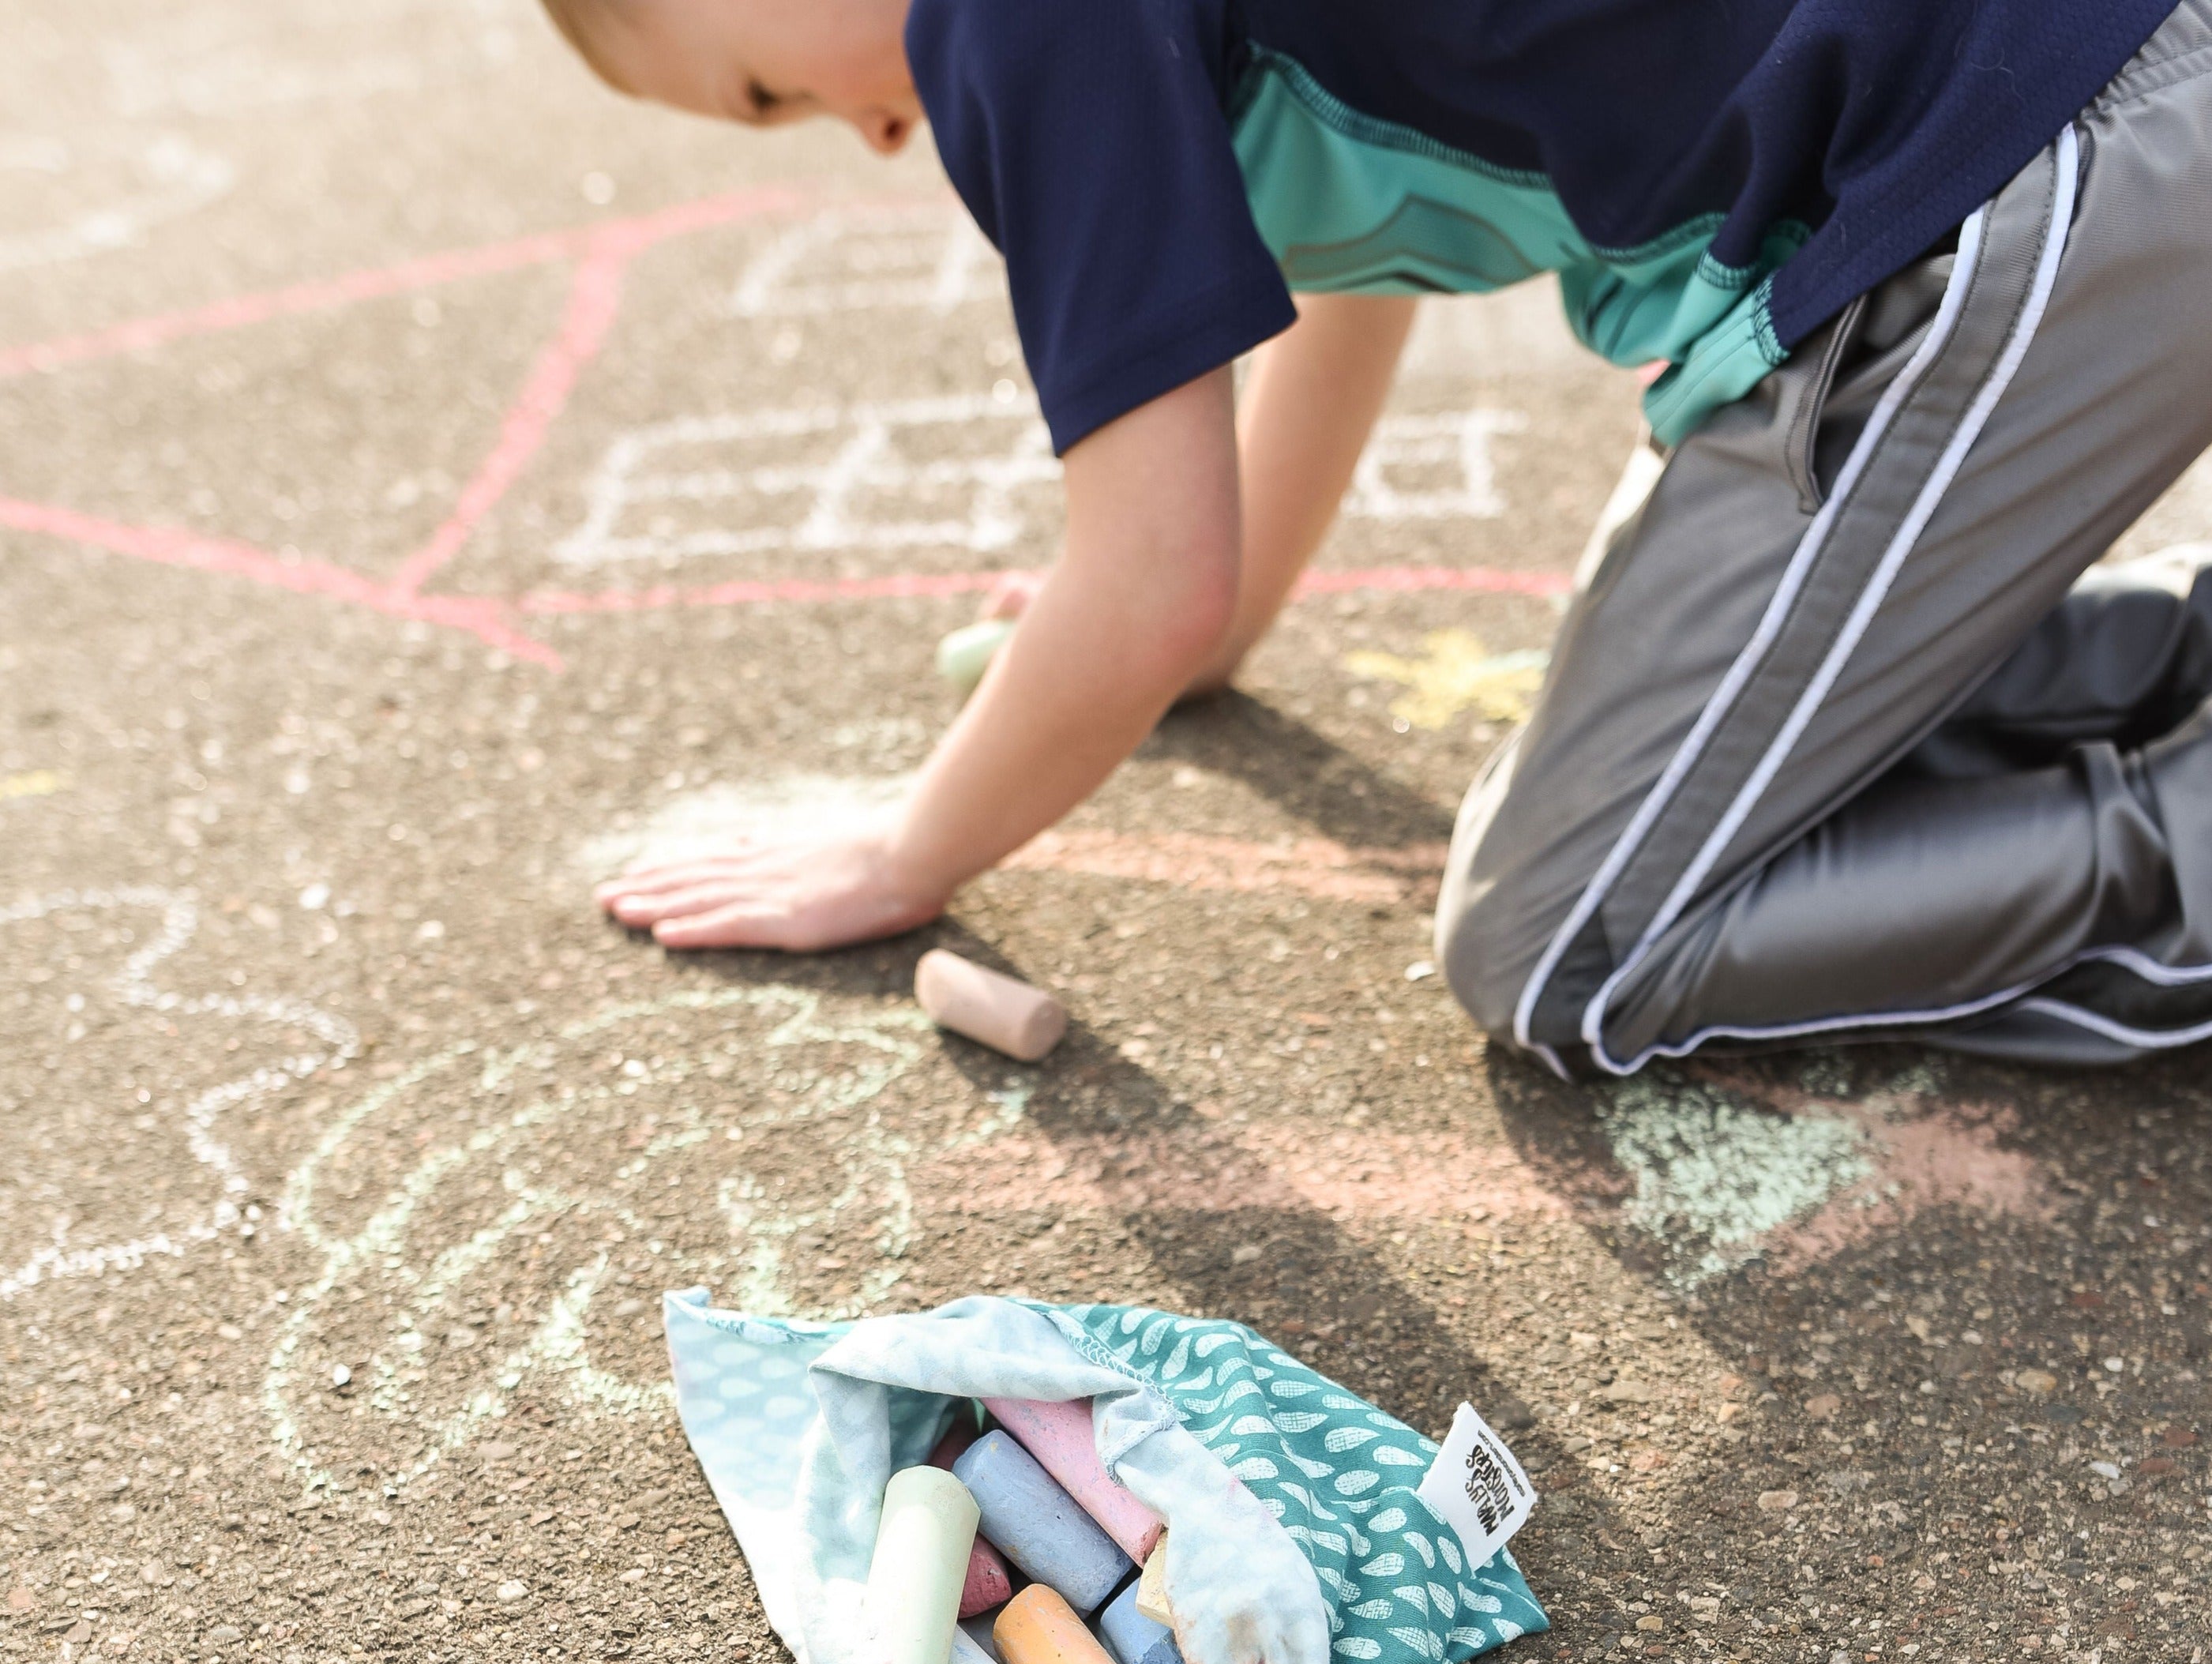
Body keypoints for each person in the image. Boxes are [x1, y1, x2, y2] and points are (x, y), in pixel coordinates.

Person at [565, 0, 2212, 1076]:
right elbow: (1345, 280)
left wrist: (905, 854)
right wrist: (1226, 622)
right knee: (1676, 773)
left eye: (767, 90)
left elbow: (1145, 579)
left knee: (1567, 943)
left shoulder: (1007, 23)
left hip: (2029, 170)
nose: (863, 134)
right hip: (2056, 126)